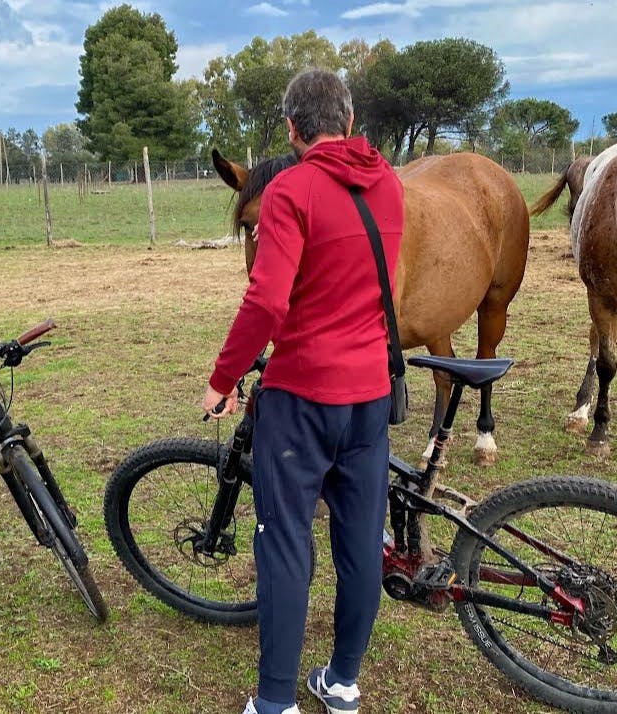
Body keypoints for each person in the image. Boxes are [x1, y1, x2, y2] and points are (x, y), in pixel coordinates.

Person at [200, 69, 404, 714]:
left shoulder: (291, 190)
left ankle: (275, 701)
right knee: (361, 541)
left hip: (302, 395)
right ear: (348, 119)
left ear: (292, 129)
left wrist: (223, 378)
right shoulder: (390, 185)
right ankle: (342, 681)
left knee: (285, 541)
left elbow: (266, 298)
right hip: (371, 394)